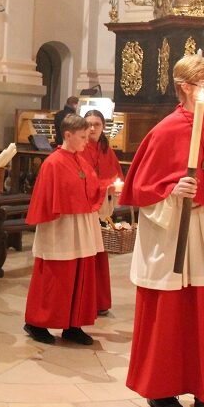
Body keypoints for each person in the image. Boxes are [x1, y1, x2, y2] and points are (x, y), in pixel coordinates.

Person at [119, 53, 204, 407]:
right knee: (167, 313)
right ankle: (160, 389)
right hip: (170, 229)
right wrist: (171, 190)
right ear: (185, 89)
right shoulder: (164, 131)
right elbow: (141, 189)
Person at [23, 114, 113, 346]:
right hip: (60, 229)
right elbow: (47, 199)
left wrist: (108, 192)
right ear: (68, 135)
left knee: (80, 276)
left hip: (82, 228)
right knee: (55, 278)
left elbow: (91, 191)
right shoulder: (53, 163)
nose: (87, 140)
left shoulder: (81, 161)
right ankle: (36, 323)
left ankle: (73, 325)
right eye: (83, 137)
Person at [80, 109, 124, 315]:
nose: (92, 128)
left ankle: (99, 301)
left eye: (96, 124)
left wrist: (114, 187)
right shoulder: (80, 148)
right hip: (84, 208)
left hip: (101, 209)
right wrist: (105, 186)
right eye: (88, 124)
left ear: (103, 127)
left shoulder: (107, 150)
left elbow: (117, 175)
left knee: (99, 255)